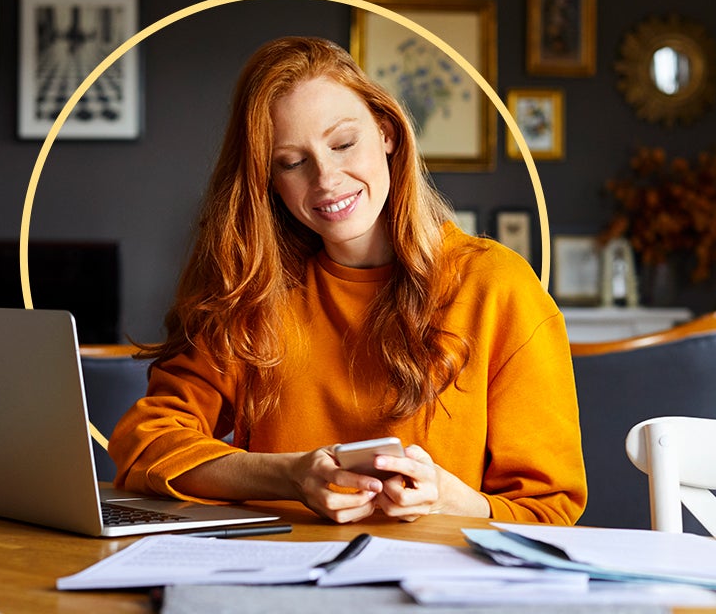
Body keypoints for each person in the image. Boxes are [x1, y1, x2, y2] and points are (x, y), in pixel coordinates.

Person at [108, 36, 586, 524]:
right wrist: (290, 475)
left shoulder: (495, 286)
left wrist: (447, 497)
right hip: (280, 581)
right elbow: (146, 442)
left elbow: (549, 509)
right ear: (268, 181)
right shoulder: (258, 291)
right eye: (292, 163)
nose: (326, 179)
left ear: (387, 133)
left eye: (343, 144)